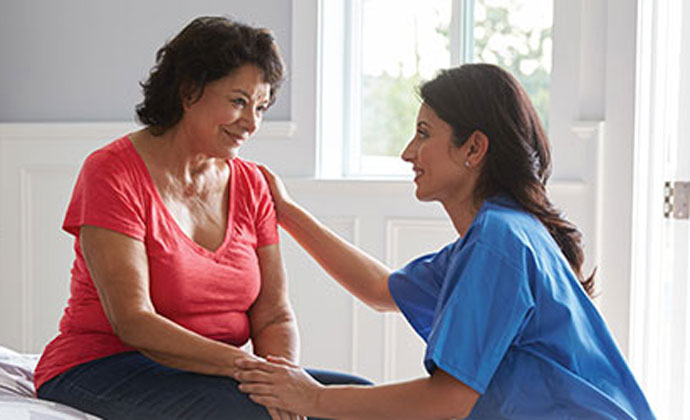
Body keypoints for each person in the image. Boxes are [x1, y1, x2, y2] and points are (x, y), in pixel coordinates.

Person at [234, 63, 656, 419]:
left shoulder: (499, 240)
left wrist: (313, 398)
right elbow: (380, 289)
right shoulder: (501, 232)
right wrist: (286, 212)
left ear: (474, 147)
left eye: (423, 133)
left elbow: (450, 397)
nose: (407, 152)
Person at [34, 16, 368, 420]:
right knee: (251, 414)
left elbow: (274, 314)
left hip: (212, 373)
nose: (252, 122)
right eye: (239, 101)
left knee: (360, 402)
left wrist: (286, 381)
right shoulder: (111, 172)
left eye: (261, 106)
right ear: (189, 91)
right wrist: (252, 372)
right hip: (102, 366)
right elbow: (133, 321)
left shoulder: (252, 183)